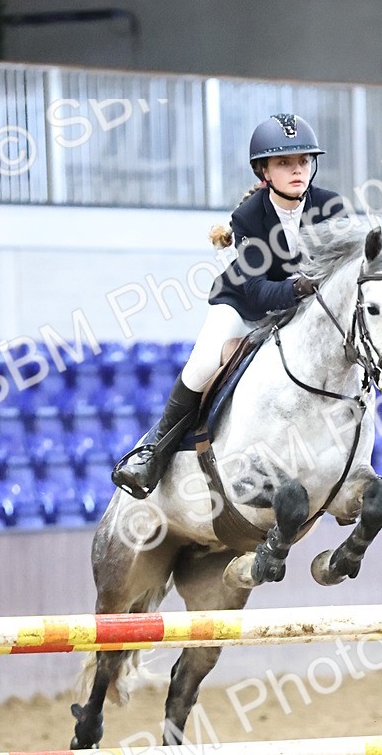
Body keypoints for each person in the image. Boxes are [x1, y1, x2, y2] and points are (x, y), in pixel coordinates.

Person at [111, 113, 347, 499]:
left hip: (303, 308)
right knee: (204, 362)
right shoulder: (249, 216)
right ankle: (153, 451)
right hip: (243, 307)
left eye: (304, 161)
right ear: (264, 171)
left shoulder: (330, 207)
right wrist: (297, 287)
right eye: (285, 163)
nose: (297, 170)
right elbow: (255, 290)